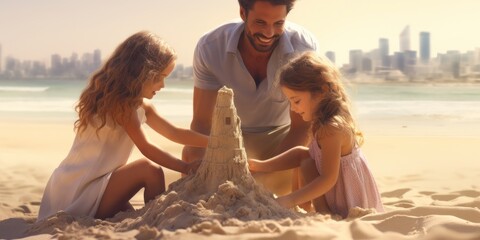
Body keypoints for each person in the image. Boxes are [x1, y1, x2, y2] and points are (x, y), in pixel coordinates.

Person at [37, 31, 208, 221]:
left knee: (128, 211)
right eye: (159, 77)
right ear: (142, 72)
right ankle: (156, 220)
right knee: (150, 170)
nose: (163, 85)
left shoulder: (142, 106)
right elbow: (146, 147)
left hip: (96, 183)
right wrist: (185, 166)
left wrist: (215, 141)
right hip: (79, 190)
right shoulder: (122, 106)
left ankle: (151, 216)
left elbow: (175, 133)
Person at [182, 0, 318, 196]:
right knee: (191, 155)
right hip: (228, 136)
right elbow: (202, 124)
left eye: (278, 23)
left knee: (316, 156)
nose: (269, 33)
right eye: (261, 22)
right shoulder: (210, 47)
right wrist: (208, 171)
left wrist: (260, 176)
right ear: (243, 13)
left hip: (281, 137)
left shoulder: (303, 48)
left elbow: (302, 127)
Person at [248, 52, 384, 218]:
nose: (293, 108)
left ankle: (321, 211)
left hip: (350, 201)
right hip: (332, 193)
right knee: (306, 160)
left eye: (296, 101)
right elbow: (301, 153)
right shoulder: (320, 122)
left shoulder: (332, 129)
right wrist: (259, 165)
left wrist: (287, 200)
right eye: (290, 102)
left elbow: (328, 179)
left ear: (321, 92)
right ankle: (309, 206)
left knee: (306, 163)